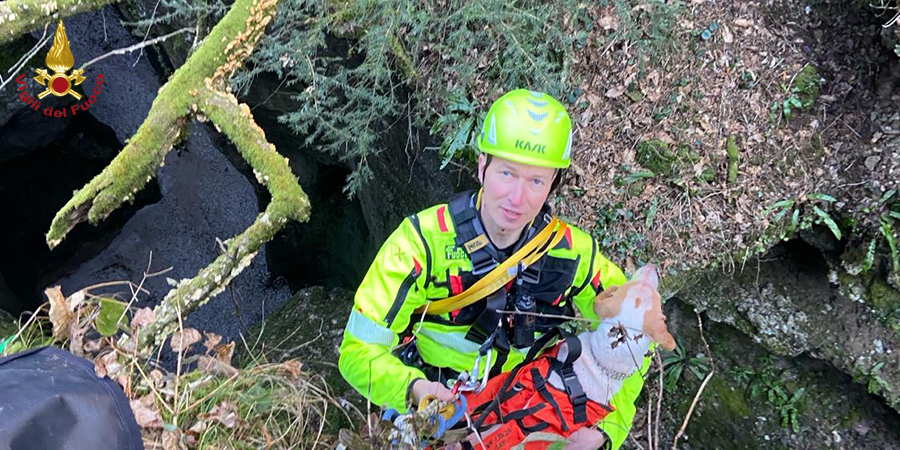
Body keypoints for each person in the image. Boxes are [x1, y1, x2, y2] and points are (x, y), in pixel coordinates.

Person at [338, 89, 649, 450]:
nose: (517, 198)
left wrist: (606, 430)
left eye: (536, 181)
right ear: (482, 165)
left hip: (526, 404)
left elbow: (639, 334)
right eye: (507, 173)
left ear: (553, 183)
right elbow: (357, 351)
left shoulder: (572, 254)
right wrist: (413, 388)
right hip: (438, 402)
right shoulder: (420, 246)